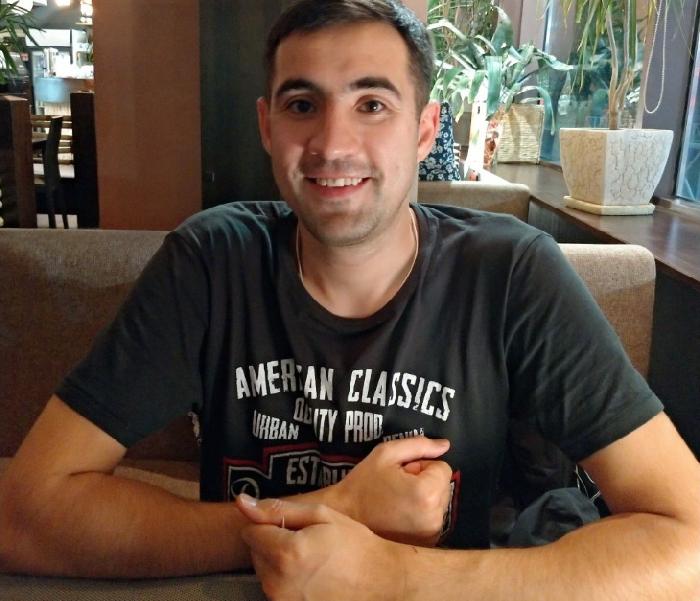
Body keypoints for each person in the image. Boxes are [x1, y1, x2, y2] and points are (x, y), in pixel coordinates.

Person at [1, 0, 699, 598]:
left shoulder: (512, 273)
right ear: (267, 126)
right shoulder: (211, 262)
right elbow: (24, 516)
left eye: (372, 105)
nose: (333, 144)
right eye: (303, 105)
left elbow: (688, 542)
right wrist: (329, 510)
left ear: (425, 130)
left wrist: (395, 574)